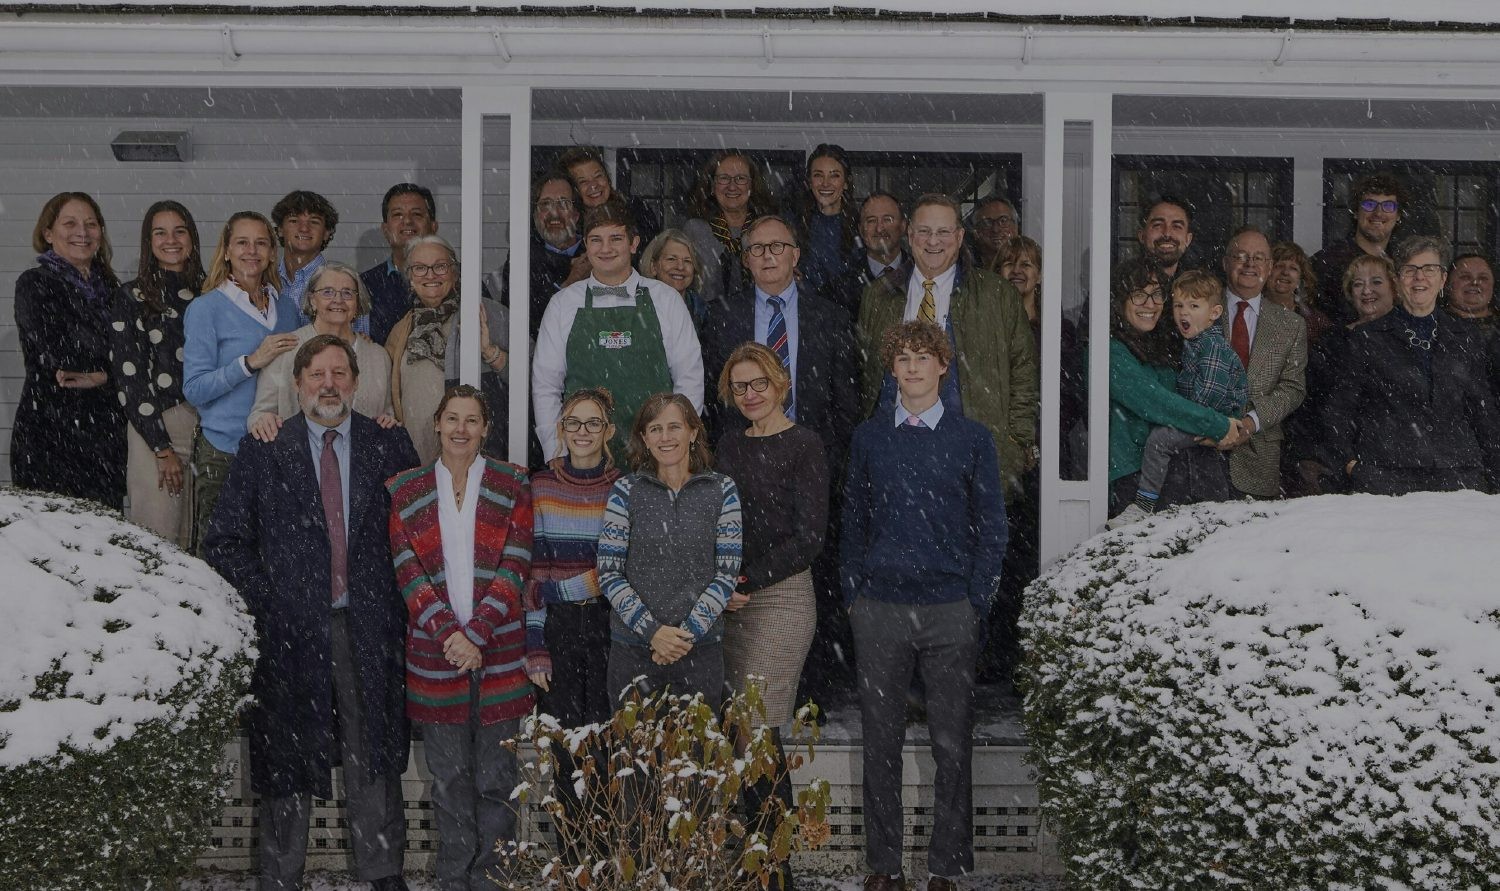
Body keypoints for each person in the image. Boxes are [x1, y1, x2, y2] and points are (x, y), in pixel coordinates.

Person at [205, 335, 419, 891]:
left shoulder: (388, 446)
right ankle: (280, 875)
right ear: (297, 383)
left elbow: (419, 536)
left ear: (355, 382)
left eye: (340, 373)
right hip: (290, 631)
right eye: (317, 374)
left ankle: (383, 872)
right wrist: (272, 596)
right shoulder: (265, 447)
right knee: (287, 757)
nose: (329, 384)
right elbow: (224, 541)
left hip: (366, 627)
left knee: (371, 752)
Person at [840, 320, 1006, 891]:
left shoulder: (972, 439)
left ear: (943, 366)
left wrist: (975, 600)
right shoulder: (869, 438)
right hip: (880, 608)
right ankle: (883, 865)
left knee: (951, 743)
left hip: (949, 610)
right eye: (902, 358)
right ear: (892, 369)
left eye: (923, 357)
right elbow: (853, 525)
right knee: (879, 742)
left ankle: (946, 866)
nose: (912, 367)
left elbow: (992, 528)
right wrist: (855, 595)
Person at [387, 384, 547, 891]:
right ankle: (455, 878)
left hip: (499, 653)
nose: (461, 429)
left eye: (471, 420)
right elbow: (408, 573)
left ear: (485, 428)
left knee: (497, 779)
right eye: (452, 418)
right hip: (435, 658)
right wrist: (450, 635)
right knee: (450, 780)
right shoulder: (406, 490)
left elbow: (515, 564)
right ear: (436, 423)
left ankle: (492, 879)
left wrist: (476, 634)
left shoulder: (512, 483)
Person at [714, 341, 827, 891]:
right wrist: (722, 585)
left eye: (758, 383)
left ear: (779, 382)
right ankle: (751, 855)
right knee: (738, 731)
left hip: (781, 598)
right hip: (731, 603)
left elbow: (809, 538)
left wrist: (746, 580)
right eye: (739, 387)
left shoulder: (805, 445)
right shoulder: (729, 447)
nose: (750, 394)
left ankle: (775, 868)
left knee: (760, 730)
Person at [856, 193, 1039, 500]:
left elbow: (1023, 372)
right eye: (925, 231)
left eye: (943, 232)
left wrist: (1015, 444)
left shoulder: (998, 295)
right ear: (910, 235)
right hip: (894, 457)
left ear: (959, 236)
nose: (933, 241)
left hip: (972, 460)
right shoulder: (878, 295)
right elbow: (864, 370)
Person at [1320, 235, 1500, 495]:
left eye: (1429, 269)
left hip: (1460, 476)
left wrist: (1494, 473)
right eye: (1410, 270)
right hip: (1385, 475)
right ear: (1396, 279)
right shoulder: (1367, 337)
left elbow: (1483, 411)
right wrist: (1351, 466)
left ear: (1443, 280)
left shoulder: (1467, 336)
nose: (1419, 278)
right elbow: (1339, 409)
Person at [525, 386, 622, 865]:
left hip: (610, 628)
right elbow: (535, 571)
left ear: (608, 431)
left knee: (606, 744)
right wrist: (536, 644)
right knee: (565, 748)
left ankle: (605, 858)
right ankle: (575, 859)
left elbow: (614, 573)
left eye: (592, 423)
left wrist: (567, 587)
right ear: (560, 430)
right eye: (573, 423)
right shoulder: (541, 487)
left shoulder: (624, 487)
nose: (582, 432)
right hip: (560, 631)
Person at [597, 392, 742, 708]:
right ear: (644, 439)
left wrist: (683, 636)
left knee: (695, 754)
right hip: (633, 650)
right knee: (633, 755)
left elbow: (726, 573)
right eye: (655, 429)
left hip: (700, 651)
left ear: (693, 432)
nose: (665, 437)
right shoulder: (625, 491)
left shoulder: (722, 490)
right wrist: (653, 632)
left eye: (674, 427)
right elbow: (609, 572)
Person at [533, 203, 705, 463]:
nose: (605, 249)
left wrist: (676, 446)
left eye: (615, 239)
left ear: (633, 244)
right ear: (586, 246)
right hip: (583, 457)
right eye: (596, 240)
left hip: (654, 454)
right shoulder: (562, 304)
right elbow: (546, 385)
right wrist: (556, 450)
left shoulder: (666, 300)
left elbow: (689, 379)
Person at [183, 211, 301, 554]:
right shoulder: (206, 309)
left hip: (278, 450)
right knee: (222, 553)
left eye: (261, 242)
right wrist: (249, 363)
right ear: (227, 251)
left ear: (271, 253)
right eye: (242, 242)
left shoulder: (288, 310)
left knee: (272, 553)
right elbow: (195, 389)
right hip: (224, 452)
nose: (252, 251)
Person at [701, 214, 858, 463]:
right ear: (746, 260)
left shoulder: (831, 318)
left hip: (813, 456)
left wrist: (832, 457)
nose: (767, 255)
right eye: (757, 248)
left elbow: (845, 401)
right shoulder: (723, 316)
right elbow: (713, 396)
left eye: (777, 246)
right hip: (744, 456)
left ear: (794, 256)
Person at [11, 191, 126, 509]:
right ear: (48, 233)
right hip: (50, 432)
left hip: (105, 435)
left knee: (107, 539)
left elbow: (133, 358)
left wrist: (102, 374)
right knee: (52, 544)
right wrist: (114, 367)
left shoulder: (115, 291)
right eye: (70, 223)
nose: (83, 232)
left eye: (91, 223)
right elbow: (55, 350)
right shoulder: (34, 284)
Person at [1107, 270, 1247, 528]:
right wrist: (1218, 424)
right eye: (1139, 295)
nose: (1149, 303)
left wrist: (1226, 422)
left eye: (1156, 295)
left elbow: (1213, 394)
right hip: (1135, 472)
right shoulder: (1111, 351)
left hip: (1196, 468)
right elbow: (1156, 402)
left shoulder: (1183, 344)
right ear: (1120, 301)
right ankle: (1142, 505)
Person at [110, 199, 205, 546]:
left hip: (207, 429)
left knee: (198, 539)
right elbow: (129, 377)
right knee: (158, 539)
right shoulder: (132, 295)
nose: (171, 239)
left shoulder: (210, 291)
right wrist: (161, 449)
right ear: (148, 242)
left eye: (180, 231)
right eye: (160, 232)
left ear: (192, 237)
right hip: (157, 427)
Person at [385, 235, 513, 465]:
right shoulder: (401, 330)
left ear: (455, 272)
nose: (431, 275)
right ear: (410, 278)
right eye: (420, 268)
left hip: (479, 458)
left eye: (440, 266)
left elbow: (531, 378)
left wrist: (489, 351)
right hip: (418, 460)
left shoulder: (489, 315)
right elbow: (388, 395)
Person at [1288, 254, 1399, 496]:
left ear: (1394, 286)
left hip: (1395, 459)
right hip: (1336, 462)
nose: (1367, 290)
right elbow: (1312, 403)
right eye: (1358, 284)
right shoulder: (1332, 340)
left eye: (1377, 282)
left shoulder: (1406, 337)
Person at [248, 262, 394, 441]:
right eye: (327, 292)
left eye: (347, 293)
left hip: (363, 463)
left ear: (357, 303)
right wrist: (263, 421)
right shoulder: (286, 349)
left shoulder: (378, 356)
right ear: (312, 300)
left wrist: (388, 420)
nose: (338, 300)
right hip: (299, 461)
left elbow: (388, 414)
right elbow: (260, 414)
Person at [1220, 227, 1308, 500]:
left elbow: (1293, 388)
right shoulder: (1199, 308)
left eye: (1259, 258)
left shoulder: (1291, 325)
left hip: (1259, 458)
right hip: (1198, 451)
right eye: (1241, 256)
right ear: (1226, 262)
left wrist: (1251, 422)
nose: (1250, 264)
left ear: (1269, 268)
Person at [682, 149, 779, 306]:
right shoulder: (695, 230)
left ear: (752, 186)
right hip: (706, 321)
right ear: (712, 186)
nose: (732, 186)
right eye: (724, 178)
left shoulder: (769, 230)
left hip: (760, 317)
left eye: (740, 178)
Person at [500, 171, 589, 341]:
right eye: (545, 204)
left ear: (576, 215)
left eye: (563, 204)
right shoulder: (522, 259)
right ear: (535, 216)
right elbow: (520, 324)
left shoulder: (596, 253)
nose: (553, 213)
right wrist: (570, 283)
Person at [1311, 171, 1406, 326]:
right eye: (1369, 205)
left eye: (1388, 206)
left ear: (1399, 215)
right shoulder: (1326, 262)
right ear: (1355, 212)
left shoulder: (1404, 263)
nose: (1378, 213)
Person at [362, 183, 440, 346]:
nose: (407, 221)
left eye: (417, 214)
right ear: (385, 229)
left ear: (434, 226)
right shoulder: (364, 283)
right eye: (397, 215)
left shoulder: (457, 278)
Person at [272, 190, 358, 333]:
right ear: (280, 230)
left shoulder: (346, 282)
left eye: (314, 222)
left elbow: (359, 345)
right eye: (294, 221)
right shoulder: (264, 281)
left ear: (326, 233)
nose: (304, 228)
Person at [787, 144, 859, 298]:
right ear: (809, 181)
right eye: (818, 175)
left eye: (834, 175)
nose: (825, 183)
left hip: (850, 316)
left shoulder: (861, 226)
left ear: (846, 182)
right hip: (803, 313)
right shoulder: (792, 224)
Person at [557, 145, 662, 250]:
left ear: (608, 178)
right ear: (570, 189)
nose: (594, 185)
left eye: (598, 176)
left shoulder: (637, 210)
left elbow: (654, 254)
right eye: (583, 181)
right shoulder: (566, 224)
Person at [828, 191, 910, 318]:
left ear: (903, 226)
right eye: (871, 221)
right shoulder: (839, 288)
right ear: (861, 229)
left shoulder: (921, 275)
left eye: (887, 219)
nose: (879, 228)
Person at [639, 228, 710, 330]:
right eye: (671, 259)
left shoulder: (704, 311)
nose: (680, 267)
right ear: (653, 267)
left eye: (687, 261)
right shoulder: (636, 307)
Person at [1266, 241, 1335, 344]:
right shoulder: (1250, 311)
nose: (1285, 272)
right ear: (1267, 272)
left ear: (1302, 279)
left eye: (1293, 268)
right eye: (1279, 266)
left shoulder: (1315, 321)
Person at [1136, 196, 1195, 291]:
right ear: (1142, 236)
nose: (1167, 233)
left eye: (1176, 226)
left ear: (1188, 239)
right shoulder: (1120, 283)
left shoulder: (1199, 286)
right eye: (1158, 225)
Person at [1445, 253, 1498, 333]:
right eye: (1465, 277)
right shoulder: (1431, 324)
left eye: (1483, 278)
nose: (1475, 283)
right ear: (1446, 284)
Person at [970, 196, 1019, 271]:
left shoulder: (1028, 266)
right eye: (987, 223)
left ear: (1015, 228)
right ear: (976, 232)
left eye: (1003, 221)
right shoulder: (967, 269)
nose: (996, 229)